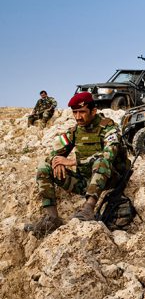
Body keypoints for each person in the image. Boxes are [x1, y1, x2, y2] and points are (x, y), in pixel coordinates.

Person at [30, 92, 128, 236]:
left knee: (101, 161)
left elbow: (109, 154)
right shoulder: (75, 131)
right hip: (84, 182)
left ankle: (88, 209)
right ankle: (52, 219)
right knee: (44, 166)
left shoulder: (109, 128)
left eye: (82, 112)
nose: (77, 117)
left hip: (109, 180)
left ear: (93, 111)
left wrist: (74, 161)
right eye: (75, 112)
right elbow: (53, 153)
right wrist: (56, 161)